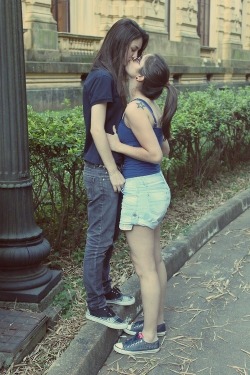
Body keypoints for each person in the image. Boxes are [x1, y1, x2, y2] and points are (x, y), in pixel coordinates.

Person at [106, 54, 178, 354]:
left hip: (143, 189)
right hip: (154, 187)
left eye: (139, 59)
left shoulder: (137, 108)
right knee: (156, 260)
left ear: (140, 77)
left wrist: (118, 146)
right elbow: (165, 144)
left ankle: (148, 338)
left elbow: (157, 154)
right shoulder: (150, 105)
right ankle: (156, 322)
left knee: (144, 268)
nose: (134, 59)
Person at [82, 18, 149, 330]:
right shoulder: (101, 78)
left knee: (107, 238)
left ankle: (105, 290)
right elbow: (97, 128)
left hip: (109, 170)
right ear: (119, 44)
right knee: (99, 238)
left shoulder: (112, 77)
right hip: (101, 171)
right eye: (133, 51)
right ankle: (95, 305)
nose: (135, 58)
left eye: (138, 53)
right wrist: (112, 171)